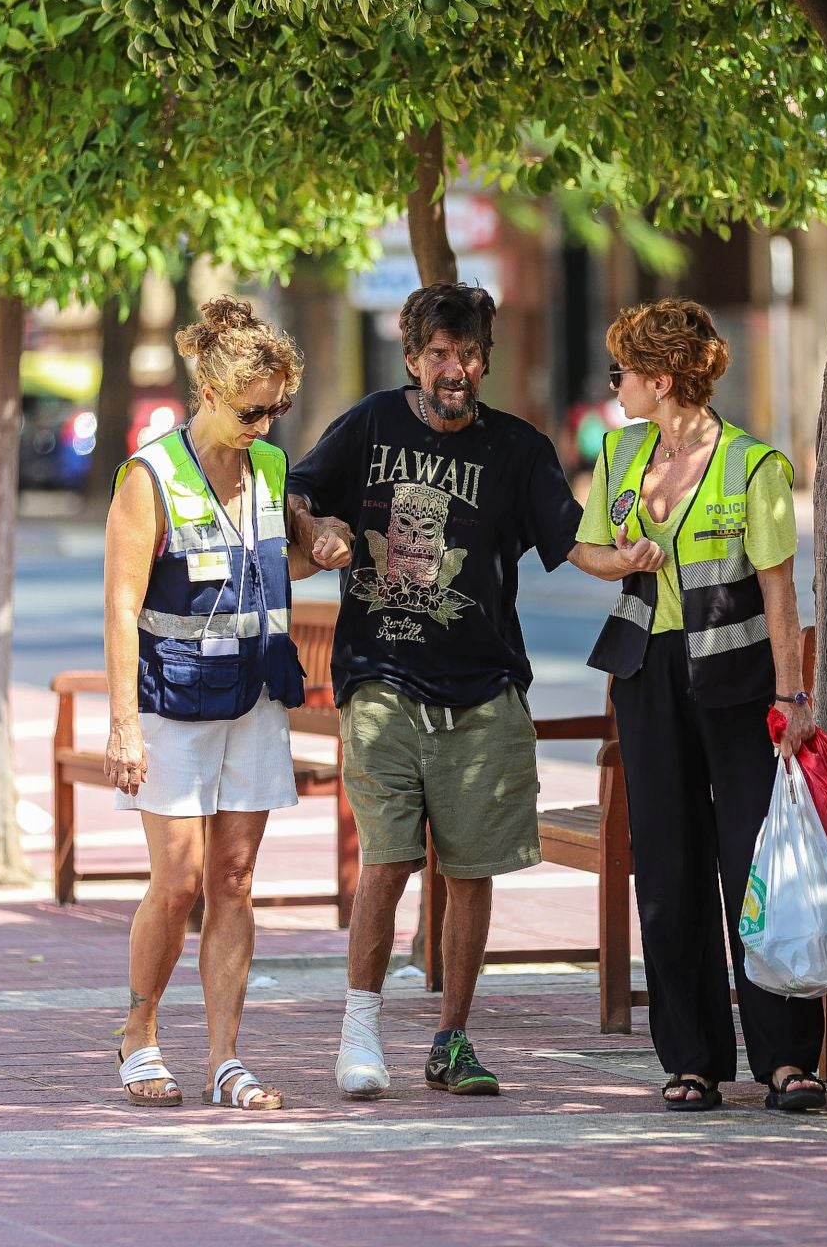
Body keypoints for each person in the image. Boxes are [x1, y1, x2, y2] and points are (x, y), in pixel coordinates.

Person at [285, 282, 584, 1099]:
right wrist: (318, 531)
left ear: (485, 357)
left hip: (483, 687)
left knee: (471, 868)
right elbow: (298, 491)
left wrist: (631, 553)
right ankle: (360, 1030)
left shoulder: (518, 449)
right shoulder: (371, 423)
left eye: (470, 353)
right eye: (441, 354)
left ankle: (451, 1039)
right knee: (386, 860)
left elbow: (575, 539)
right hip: (380, 678)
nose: (457, 369)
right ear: (414, 358)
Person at [569, 298, 826, 1113]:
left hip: (741, 682)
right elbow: (585, 549)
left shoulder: (757, 467)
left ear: (664, 379)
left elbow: (781, 594)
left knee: (754, 867)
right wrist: (622, 559)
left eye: (625, 373)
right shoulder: (617, 453)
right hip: (648, 676)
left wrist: (794, 698)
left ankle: (786, 1058)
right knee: (669, 868)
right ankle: (691, 1060)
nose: (615, 386)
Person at [103, 296, 327, 1111]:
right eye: (250, 411)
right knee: (179, 881)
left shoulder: (270, 469)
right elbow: (121, 607)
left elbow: (270, 562)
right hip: (172, 699)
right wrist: (123, 722)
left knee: (234, 877)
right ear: (207, 391)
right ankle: (140, 1032)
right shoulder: (148, 476)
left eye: (277, 410)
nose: (264, 426)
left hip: (254, 695)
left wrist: (320, 539)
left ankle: (226, 1058)